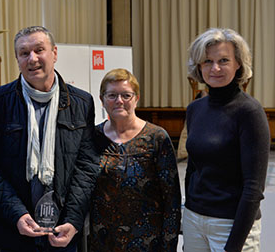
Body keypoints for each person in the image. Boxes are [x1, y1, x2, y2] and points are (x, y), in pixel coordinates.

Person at [0, 26, 100, 251]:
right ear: (17, 59)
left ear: (55, 53)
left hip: (63, 231)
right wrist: (17, 213)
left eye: (39, 50)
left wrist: (73, 219)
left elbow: (87, 166)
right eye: (24, 53)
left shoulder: (82, 103)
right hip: (12, 229)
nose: (32, 59)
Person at [183, 28, 270, 252]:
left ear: (238, 64)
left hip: (232, 224)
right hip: (194, 220)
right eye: (207, 61)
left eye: (224, 60)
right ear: (199, 66)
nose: (215, 68)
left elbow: (253, 188)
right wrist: (188, 213)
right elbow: (193, 168)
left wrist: (234, 246)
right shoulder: (195, 109)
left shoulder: (249, 111)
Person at [89, 68, 181, 251]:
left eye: (126, 95)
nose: (119, 101)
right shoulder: (92, 137)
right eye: (112, 95)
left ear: (137, 98)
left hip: (147, 242)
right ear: (102, 100)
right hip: (102, 242)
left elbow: (172, 199)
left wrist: (169, 244)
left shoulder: (157, 138)